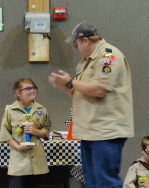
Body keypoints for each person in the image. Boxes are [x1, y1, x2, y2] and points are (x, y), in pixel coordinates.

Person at [48, 21, 134, 188]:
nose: (76, 49)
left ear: (85, 41)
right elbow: (81, 91)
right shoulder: (87, 61)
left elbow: (101, 89)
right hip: (90, 130)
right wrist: (66, 86)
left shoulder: (108, 56)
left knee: (105, 182)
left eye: (76, 45)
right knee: (92, 181)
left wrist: (71, 82)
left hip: (105, 131)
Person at [0, 78, 51, 188]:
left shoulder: (41, 110)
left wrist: (35, 131)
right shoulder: (10, 111)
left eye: (34, 87)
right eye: (28, 88)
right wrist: (18, 147)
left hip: (37, 162)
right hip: (19, 163)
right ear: (18, 93)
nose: (32, 90)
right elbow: (5, 134)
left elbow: (46, 131)